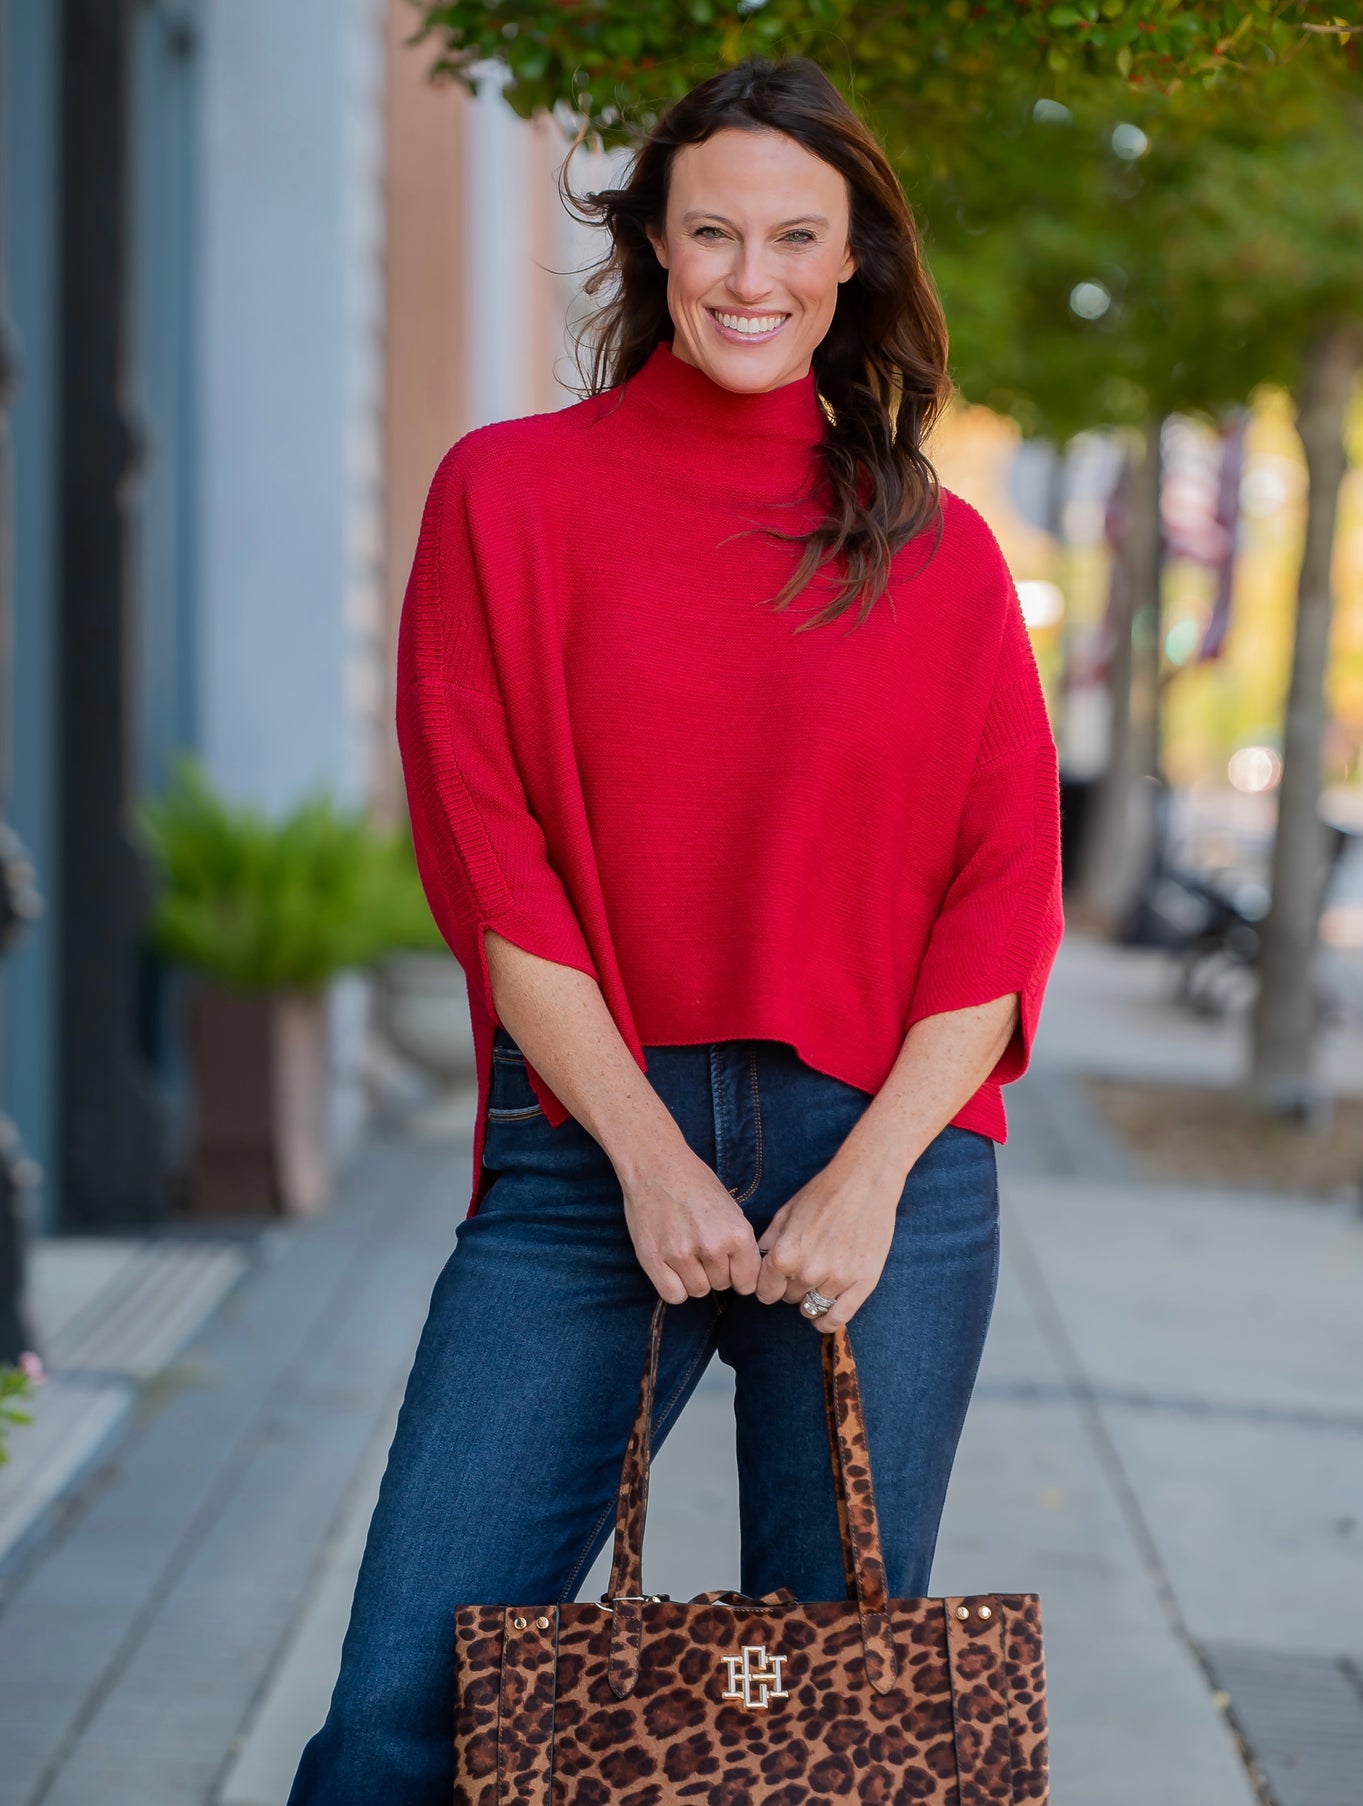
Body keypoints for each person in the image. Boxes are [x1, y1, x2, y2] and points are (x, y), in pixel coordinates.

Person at [288, 55, 1064, 1806]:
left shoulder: (931, 548)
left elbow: (1001, 893)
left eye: (796, 236)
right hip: (588, 1151)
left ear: (855, 257)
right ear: (652, 239)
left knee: (815, 1743)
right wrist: (643, 1154)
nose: (750, 276)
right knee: (405, 1709)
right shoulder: (506, 495)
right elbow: (496, 871)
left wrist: (866, 1177)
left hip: (883, 1172)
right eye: (711, 230)